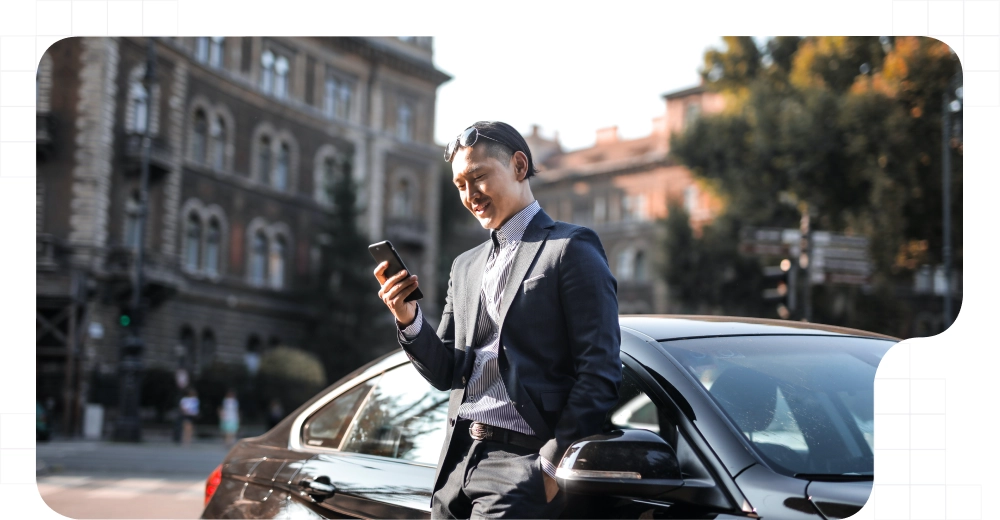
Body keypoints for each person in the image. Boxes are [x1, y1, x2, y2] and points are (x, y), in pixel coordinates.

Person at [375, 121, 621, 518]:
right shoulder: (465, 266)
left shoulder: (570, 248)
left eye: (478, 177)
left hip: (522, 463)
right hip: (457, 461)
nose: (470, 195)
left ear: (519, 167)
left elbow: (601, 369)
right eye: (459, 185)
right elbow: (446, 373)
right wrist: (408, 319)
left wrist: (551, 464)